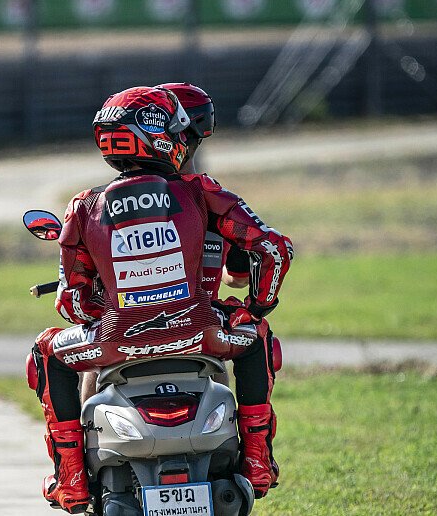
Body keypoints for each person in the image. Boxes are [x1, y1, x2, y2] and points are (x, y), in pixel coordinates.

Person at [29, 86, 293, 513]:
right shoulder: (198, 191)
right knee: (257, 335)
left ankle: (71, 479)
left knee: (46, 352)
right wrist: (254, 308)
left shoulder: (84, 206)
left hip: (116, 341)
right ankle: (259, 462)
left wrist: (116, 309)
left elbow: (71, 303)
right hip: (202, 336)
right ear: (162, 137)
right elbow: (274, 250)